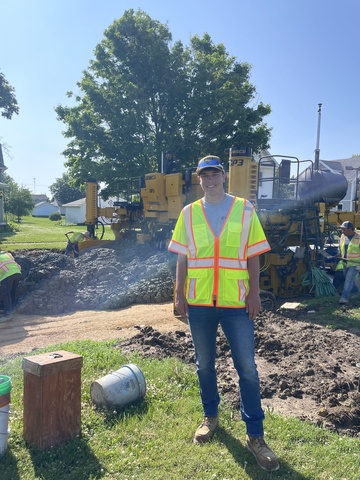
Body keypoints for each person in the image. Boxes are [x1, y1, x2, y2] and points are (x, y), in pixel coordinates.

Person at [168, 155, 279, 472]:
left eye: (215, 173)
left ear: (223, 176)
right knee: (204, 365)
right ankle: (210, 417)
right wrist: (179, 294)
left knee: (247, 368)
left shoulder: (244, 208)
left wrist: (255, 293)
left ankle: (255, 435)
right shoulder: (188, 214)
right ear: (198, 179)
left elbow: (254, 254)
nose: (211, 179)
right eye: (205, 175)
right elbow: (182, 258)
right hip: (200, 302)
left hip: (236, 303)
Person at [334, 221, 360, 305]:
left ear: (350, 229)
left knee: (348, 280)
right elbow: (340, 247)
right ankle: (355, 291)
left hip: (355, 263)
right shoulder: (343, 237)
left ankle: (344, 298)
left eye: (344, 230)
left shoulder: (358, 238)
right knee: (348, 279)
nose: (342, 231)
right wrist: (338, 254)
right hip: (345, 262)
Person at [0, 250, 22, 322]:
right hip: (17, 272)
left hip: (7, 275)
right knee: (12, 292)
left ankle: (8, 314)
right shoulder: (7, 254)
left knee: (6, 294)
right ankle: (11, 310)